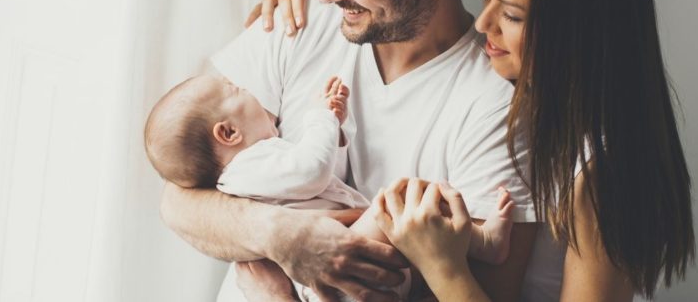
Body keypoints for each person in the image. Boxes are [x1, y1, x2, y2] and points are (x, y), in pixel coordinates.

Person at [260, 0, 696, 302]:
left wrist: (442, 264)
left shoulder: (601, 173)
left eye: (511, 14)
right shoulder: (536, 107)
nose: (484, 23)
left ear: (578, 34)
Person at [159, 0, 544, 301]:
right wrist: (282, 235)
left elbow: (484, 292)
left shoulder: (495, 106)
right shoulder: (298, 20)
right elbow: (177, 202)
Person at [144, 74, 517, 301]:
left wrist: (333, 127)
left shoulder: (260, 167)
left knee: (414, 232)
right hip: (329, 280)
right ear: (228, 132)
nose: (250, 91)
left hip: (336, 273)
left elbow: (322, 181)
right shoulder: (247, 168)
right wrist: (321, 117)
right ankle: (484, 244)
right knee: (403, 202)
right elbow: (311, 172)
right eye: (237, 89)